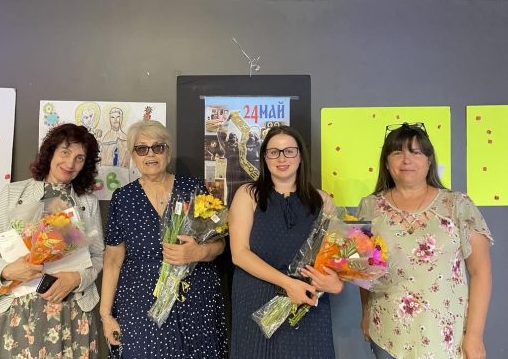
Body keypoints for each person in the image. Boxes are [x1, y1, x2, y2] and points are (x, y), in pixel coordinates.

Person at [358, 122, 493, 359]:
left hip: (446, 336)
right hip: (388, 334)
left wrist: (474, 334)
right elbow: (365, 271)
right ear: (386, 162)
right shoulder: (370, 207)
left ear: (429, 160)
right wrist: (366, 312)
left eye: (416, 152)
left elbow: (480, 271)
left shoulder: (457, 205)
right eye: (397, 152)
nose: (406, 160)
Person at [100, 120, 228, 358]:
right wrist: (106, 315)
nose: (150, 154)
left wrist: (198, 252)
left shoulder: (193, 188)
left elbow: (220, 244)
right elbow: (112, 260)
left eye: (158, 147)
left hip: (194, 300)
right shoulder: (123, 198)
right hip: (140, 304)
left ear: (168, 152)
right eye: (142, 149)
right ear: (133, 156)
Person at [0, 123, 104, 358]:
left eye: (79, 158)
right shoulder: (12, 193)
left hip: (70, 312)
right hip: (15, 311)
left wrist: (77, 278)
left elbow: (98, 256)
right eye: (65, 152)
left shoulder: (87, 202)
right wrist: (8, 271)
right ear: (51, 152)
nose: (70, 163)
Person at [229, 125, 344, 359]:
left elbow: (334, 257)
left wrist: (336, 282)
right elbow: (239, 254)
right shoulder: (248, 194)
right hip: (256, 300)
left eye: (289, 151)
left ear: (300, 156)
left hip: (307, 303)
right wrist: (288, 284)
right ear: (265, 157)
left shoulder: (322, 200)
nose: (282, 159)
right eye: (274, 152)